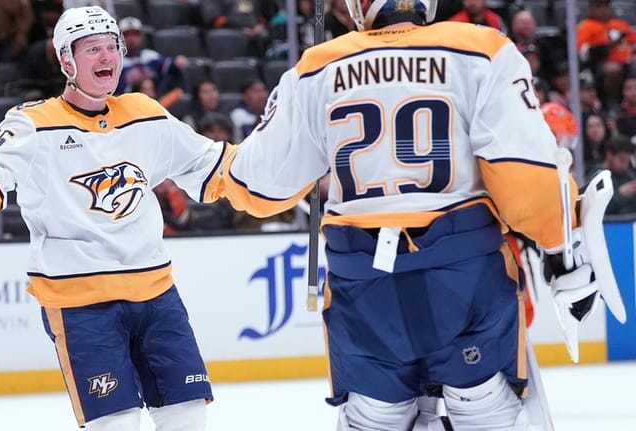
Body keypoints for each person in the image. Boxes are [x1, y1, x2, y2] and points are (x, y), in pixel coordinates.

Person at [212, 0, 619, 429]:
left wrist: (211, 169)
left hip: (363, 285)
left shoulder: (316, 66)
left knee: (374, 415)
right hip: (463, 279)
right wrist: (559, 244)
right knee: (484, 406)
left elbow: (257, 184)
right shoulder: (481, 49)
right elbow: (526, 178)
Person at [0, 6, 225, 431]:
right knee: (116, 424)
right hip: (81, 303)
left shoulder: (145, 113)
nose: (107, 57)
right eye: (92, 49)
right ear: (66, 61)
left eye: (111, 47)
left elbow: (214, 165)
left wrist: (279, 166)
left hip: (156, 295)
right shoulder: (34, 124)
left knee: (188, 417)